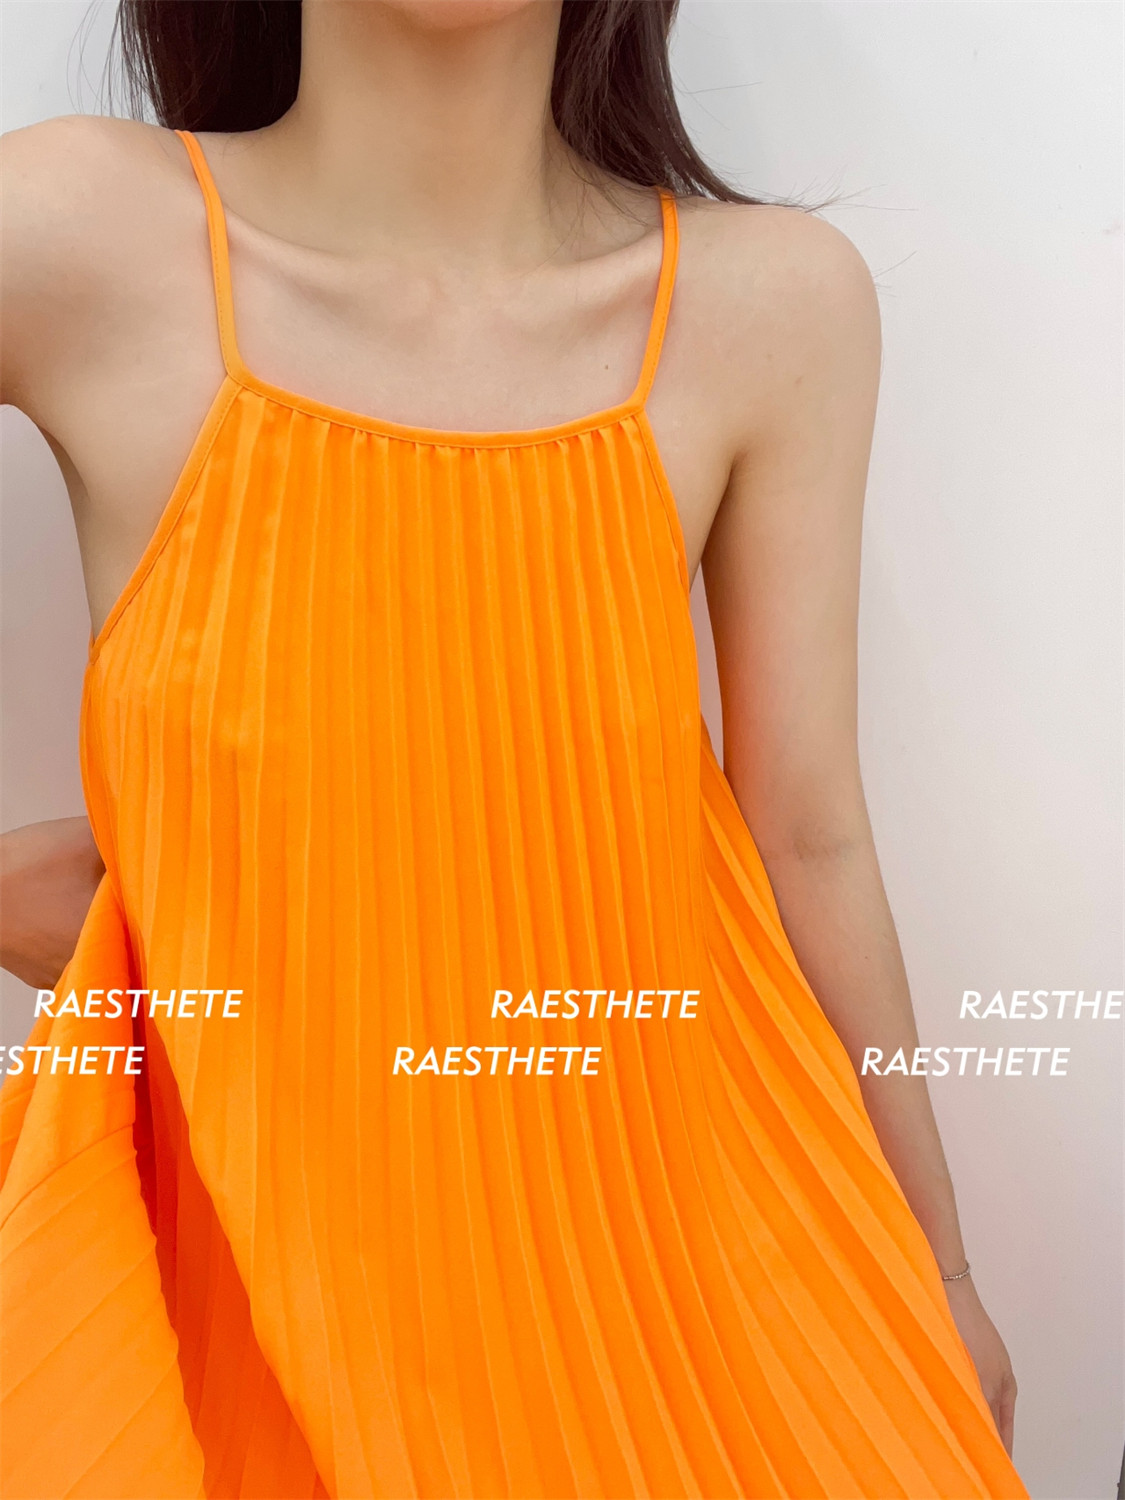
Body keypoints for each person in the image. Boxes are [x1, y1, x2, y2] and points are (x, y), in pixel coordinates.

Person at [0, 2, 1029, 1496]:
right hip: (238, 1289)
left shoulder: (769, 304)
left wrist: (939, 1271)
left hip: (699, 1297)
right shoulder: (70, 233)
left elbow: (807, 833)